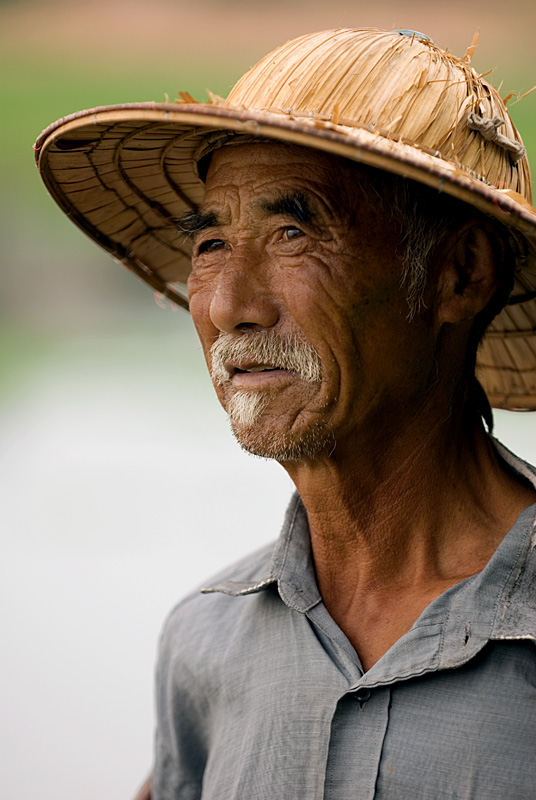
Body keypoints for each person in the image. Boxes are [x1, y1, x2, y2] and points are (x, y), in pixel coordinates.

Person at [35, 27, 536, 800]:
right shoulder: (206, 647)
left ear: (459, 273)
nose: (231, 306)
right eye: (211, 244)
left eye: (293, 233)